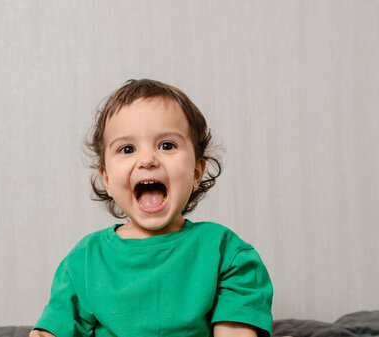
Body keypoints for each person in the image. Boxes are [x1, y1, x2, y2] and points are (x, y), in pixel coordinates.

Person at [30, 79, 273, 337]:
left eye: (167, 145)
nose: (147, 160)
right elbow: (52, 330)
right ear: (107, 180)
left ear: (196, 171)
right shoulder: (85, 261)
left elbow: (235, 331)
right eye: (127, 149)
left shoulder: (226, 252)